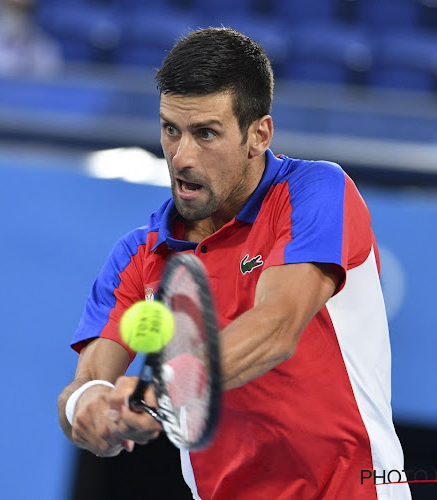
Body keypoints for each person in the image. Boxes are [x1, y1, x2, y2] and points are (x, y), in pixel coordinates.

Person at [57, 27, 410, 500]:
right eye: (170, 130)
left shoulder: (314, 192)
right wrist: (90, 409)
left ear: (258, 134)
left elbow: (276, 326)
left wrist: (160, 393)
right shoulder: (137, 256)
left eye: (206, 133)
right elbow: (85, 383)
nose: (182, 157)